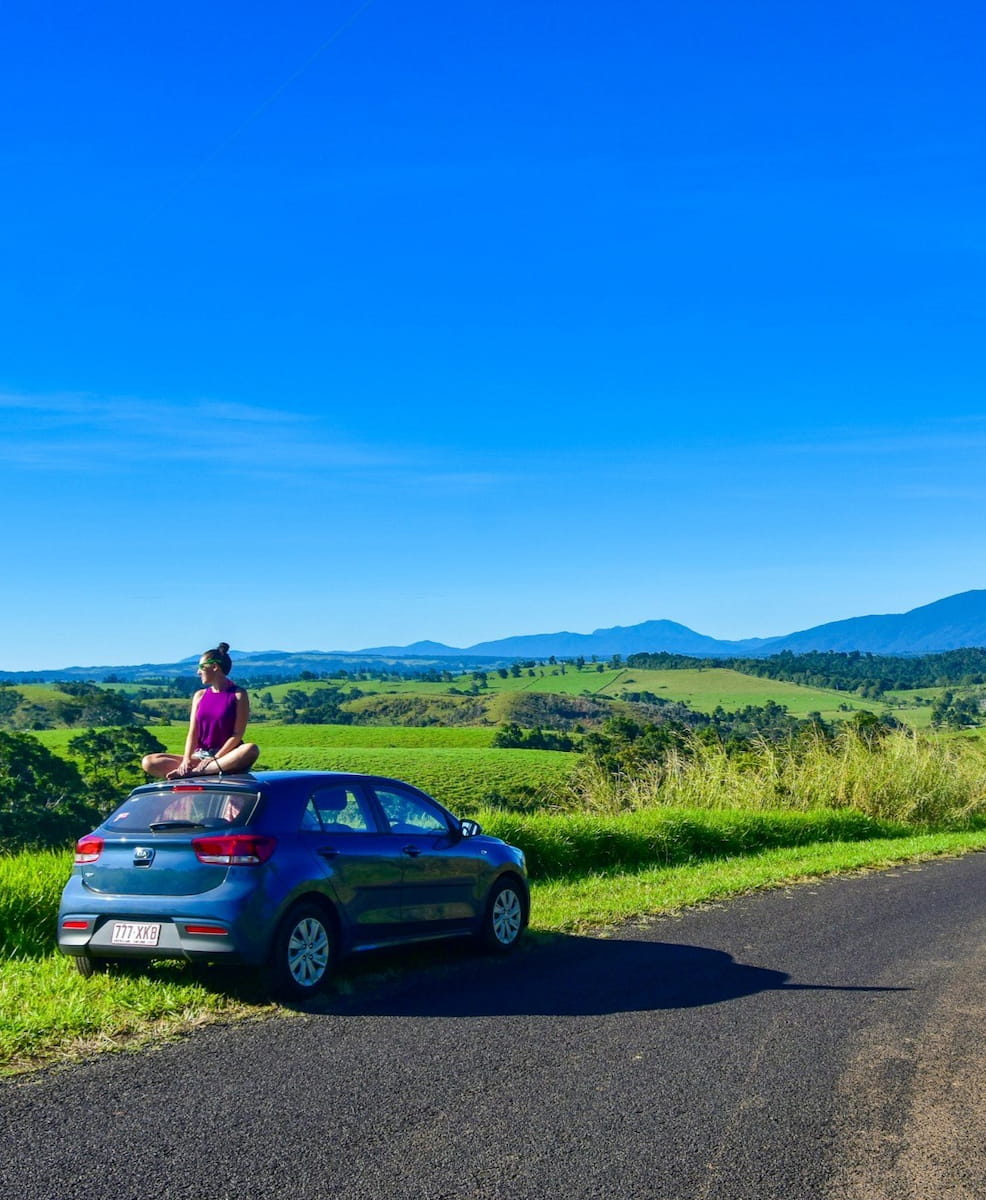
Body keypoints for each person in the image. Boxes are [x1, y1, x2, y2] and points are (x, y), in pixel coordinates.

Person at [141, 643, 260, 779]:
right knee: (149, 761)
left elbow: (237, 734)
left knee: (250, 749)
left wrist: (216, 757)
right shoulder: (200, 696)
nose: (198, 672)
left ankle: (197, 773)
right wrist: (186, 760)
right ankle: (199, 770)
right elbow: (193, 731)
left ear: (215, 667)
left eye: (201, 667)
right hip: (200, 756)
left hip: (226, 757)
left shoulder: (238, 694)